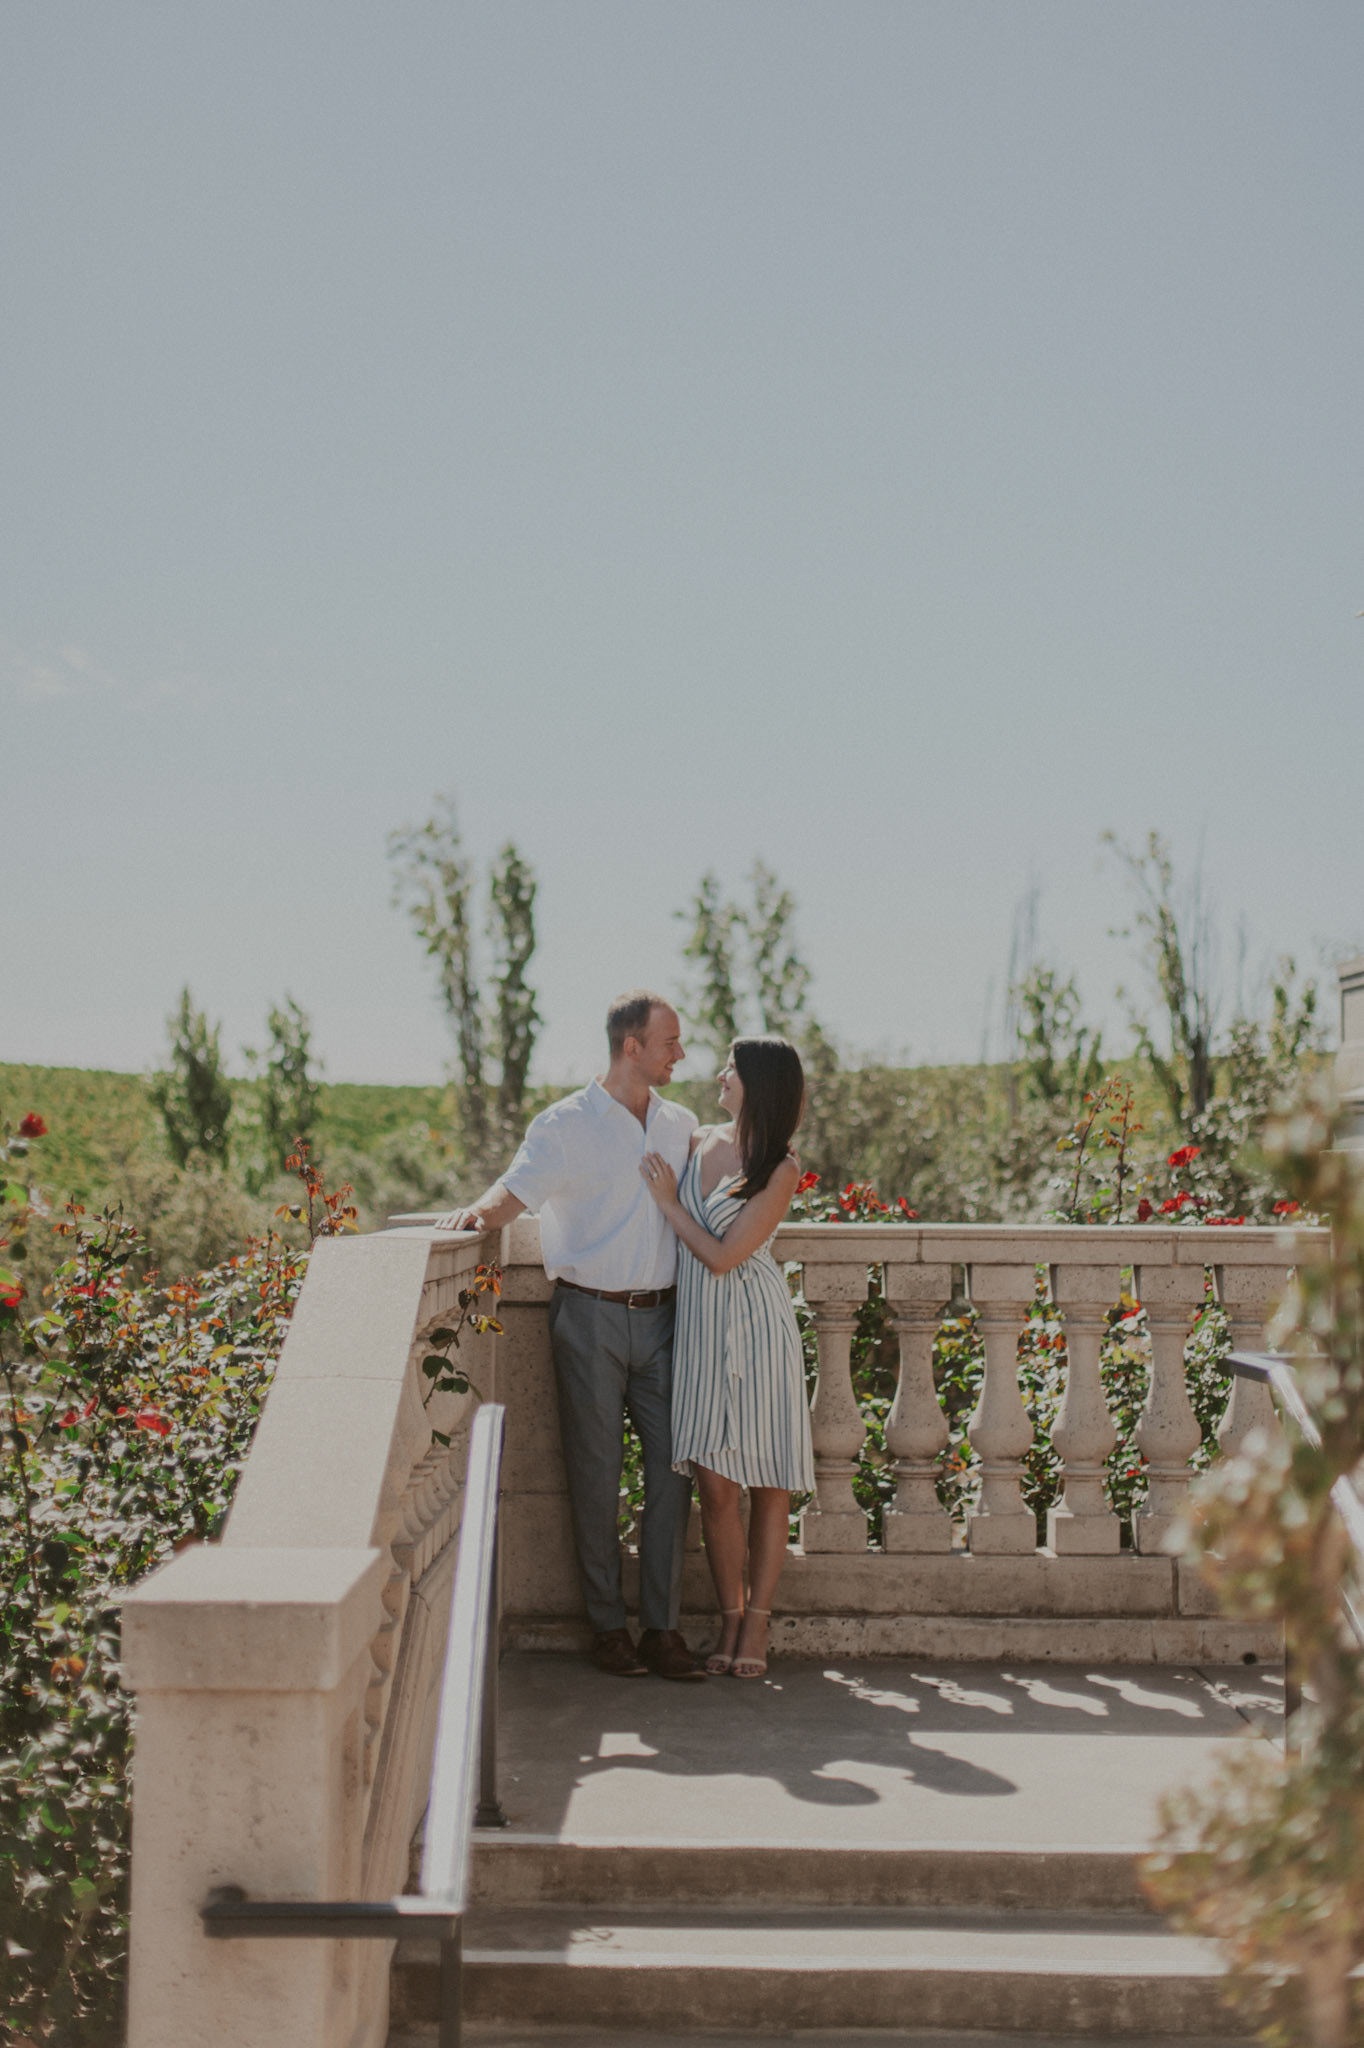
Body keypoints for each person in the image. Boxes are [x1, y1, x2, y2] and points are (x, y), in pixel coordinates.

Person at [438, 990, 702, 1681]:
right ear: (631, 1047)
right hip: (586, 1316)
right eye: (670, 1042)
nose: (681, 1053)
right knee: (595, 1475)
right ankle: (608, 1627)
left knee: (675, 1470)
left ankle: (663, 1630)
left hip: (668, 1317)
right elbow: (512, 1193)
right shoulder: (564, 1125)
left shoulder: (682, 1125)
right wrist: (475, 1216)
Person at [639, 1035, 812, 1682]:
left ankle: (756, 1621)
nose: (719, 1076)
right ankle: (728, 1613)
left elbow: (720, 1256)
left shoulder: (780, 1167)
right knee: (714, 1485)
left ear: (759, 1084)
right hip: (703, 1330)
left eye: (731, 1070)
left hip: (757, 1326)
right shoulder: (700, 1142)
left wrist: (669, 1205)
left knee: (768, 1480)